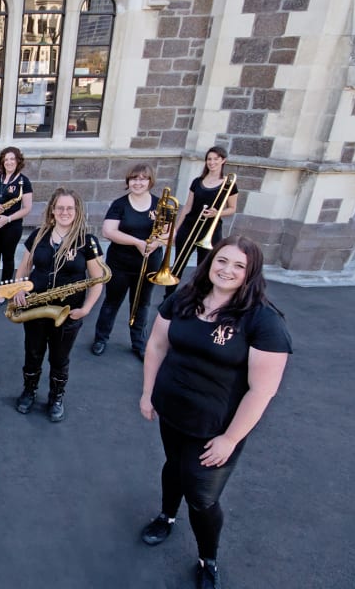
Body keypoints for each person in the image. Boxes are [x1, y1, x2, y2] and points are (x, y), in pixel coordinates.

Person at [138, 235, 291, 589]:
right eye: (222, 261)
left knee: (202, 497)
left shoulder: (262, 321)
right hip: (172, 409)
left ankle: (208, 558)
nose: (227, 270)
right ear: (211, 263)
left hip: (216, 427)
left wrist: (230, 438)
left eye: (239, 265)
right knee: (173, 467)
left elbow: (262, 389)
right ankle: (166, 517)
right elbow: (158, 344)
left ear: (251, 273)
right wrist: (148, 393)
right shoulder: (185, 298)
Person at [11, 188, 106, 422]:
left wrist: (86, 310)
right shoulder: (38, 236)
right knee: (32, 353)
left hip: (68, 313)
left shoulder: (87, 241)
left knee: (59, 358)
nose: (64, 212)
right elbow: (24, 268)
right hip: (36, 308)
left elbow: (97, 281)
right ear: (52, 211)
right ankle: (29, 390)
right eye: (60, 207)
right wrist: (19, 288)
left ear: (77, 211)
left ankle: (56, 397)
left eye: (69, 208)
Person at [91, 163, 164, 360]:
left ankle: (139, 343)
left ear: (150, 181)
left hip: (149, 262)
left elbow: (167, 232)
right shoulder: (120, 204)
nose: (138, 183)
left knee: (142, 304)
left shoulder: (160, 204)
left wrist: (155, 244)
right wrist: (137, 242)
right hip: (121, 262)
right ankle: (101, 338)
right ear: (128, 181)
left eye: (142, 179)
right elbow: (109, 231)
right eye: (134, 179)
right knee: (112, 301)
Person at [166, 146, 240, 297]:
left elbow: (232, 208)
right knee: (179, 264)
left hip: (210, 231)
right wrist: (176, 229)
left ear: (223, 160)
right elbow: (187, 207)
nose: (211, 162)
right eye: (209, 159)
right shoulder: (197, 181)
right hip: (189, 227)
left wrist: (217, 213)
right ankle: (168, 298)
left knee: (205, 267)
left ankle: (198, 298)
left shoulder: (228, 184)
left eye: (215, 159)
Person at [0, 146, 33, 304]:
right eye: (6, 159)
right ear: (2, 161)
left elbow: (27, 208)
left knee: (8, 258)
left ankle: (4, 290)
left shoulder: (24, 181)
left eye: (12, 159)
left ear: (18, 161)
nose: (9, 162)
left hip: (11, 226)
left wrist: (8, 218)